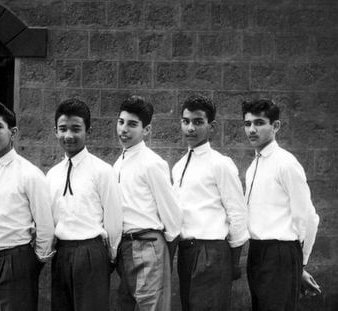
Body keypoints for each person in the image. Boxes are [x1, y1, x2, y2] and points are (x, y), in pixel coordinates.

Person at [0, 100, 54, 311]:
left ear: (13, 132)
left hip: (16, 261)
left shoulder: (29, 174)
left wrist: (32, 263)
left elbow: (45, 224)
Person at [172, 95, 249, 311]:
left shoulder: (220, 164)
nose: (190, 128)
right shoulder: (178, 167)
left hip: (212, 251)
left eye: (198, 122)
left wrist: (232, 262)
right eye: (186, 121)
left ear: (211, 126)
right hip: (187, 252)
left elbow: (237, 213)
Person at [242, 99, 320, 311]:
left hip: (281, 253)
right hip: (257, 252)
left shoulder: (286, 163)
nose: (252, 129)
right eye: (247, 124)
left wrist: (299, 264)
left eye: (259, 123)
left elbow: (309, 217)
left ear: (275, 126)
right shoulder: (253, 166)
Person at [46, 98, 122, 311]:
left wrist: (110, 257)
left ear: (88, 130)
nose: (68, 135)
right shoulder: (52, 175)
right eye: (63, 129)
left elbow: (114, 218)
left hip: (91, 253)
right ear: (55, 131)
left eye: (75, 129)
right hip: (61, 254)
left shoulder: (102, 170)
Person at [113, 95, 182, 311]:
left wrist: (161, 253)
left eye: (132, 124)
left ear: (147, 130)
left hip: (147, 243)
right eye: (121, 122)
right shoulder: (119, 163)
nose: (124, 129)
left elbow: (171, 215)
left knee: (152, 307)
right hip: (124, 246)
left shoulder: (152, 163)